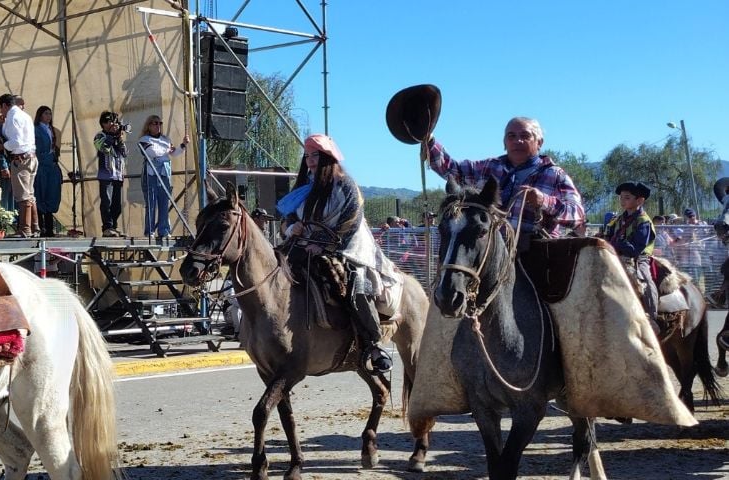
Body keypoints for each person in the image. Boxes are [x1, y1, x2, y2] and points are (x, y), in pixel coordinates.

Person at [278, 134, 396, 374]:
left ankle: (373, 345)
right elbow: (288, 217)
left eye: (315, 156)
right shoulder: (302, 187)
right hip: (305, 245)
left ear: (327, 158)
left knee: (354, 284)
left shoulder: (345, 185)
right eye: (307, 156)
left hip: (348, 249)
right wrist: (292, 228)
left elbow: (351, 220)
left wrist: (323, 244)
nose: (310, 161)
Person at [426, 117, 585, 240]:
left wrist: (544, 201)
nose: (517, 141)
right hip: (491, 254)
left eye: (525, 135)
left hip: (536, 253)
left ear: (539, 143)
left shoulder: (553, 174)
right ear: (504, 143)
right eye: (511, 136)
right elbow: (452, 169)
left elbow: (577, 215)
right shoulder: (489, 167)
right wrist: (429, 140)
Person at [601, 182, 657, 322]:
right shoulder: (618, 219)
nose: (622, 201)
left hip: (639, 259)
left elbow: (636, 249)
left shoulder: (643, 221)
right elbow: (609, 236)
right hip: (616, 255)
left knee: (646, 281)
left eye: (627, 198)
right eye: (621, 198)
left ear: (639, 200)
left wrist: (617, 243)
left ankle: (652, 318)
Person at [138, 114, 189, 239]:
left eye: (160, 123)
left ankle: (164, 230)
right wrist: (167, 150)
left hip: (164, 175)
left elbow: (175, 153)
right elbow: (152, 153)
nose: (158, 126)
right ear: (149, 125)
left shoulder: (166, 140)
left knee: (164, 203)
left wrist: (183, 145)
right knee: (151, 203)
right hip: (151, 175)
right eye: (155, 123)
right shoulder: (144, 140)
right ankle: (149, 231)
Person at [0, 93, 38, 237]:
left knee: (22, 196)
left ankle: (25, 229)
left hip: (21, 159)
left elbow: (16, 142)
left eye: (0, 108)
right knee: (30, 194)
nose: (1, 112)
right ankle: (34, 227)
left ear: (4, 105)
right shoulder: (24, 115)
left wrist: (3, 146)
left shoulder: (13, 117)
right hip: (31, 157)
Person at [95, 111, 127, 237]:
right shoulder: (99, 136)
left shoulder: (118, 136)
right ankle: (107, 227)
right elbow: (104, 148)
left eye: (115, 122)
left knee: (117, 204)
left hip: (118, 174)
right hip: (106, 174)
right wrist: (111, 136)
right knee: (106, 202)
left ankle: (114, 226)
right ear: (103, 124)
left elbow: (125, 153)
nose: (113, 124)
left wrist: (119, 138)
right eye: (110, 122)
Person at [32, 105, 63, 237]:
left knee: (52, 193)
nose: (48, 116)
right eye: (46, 114)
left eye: (50, 114)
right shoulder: (36, 130)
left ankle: (50, 227)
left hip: (51, 165)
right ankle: (41, 227)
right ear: (40, 115)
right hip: (41, 165)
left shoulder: (53, 130)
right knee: (40, 193)